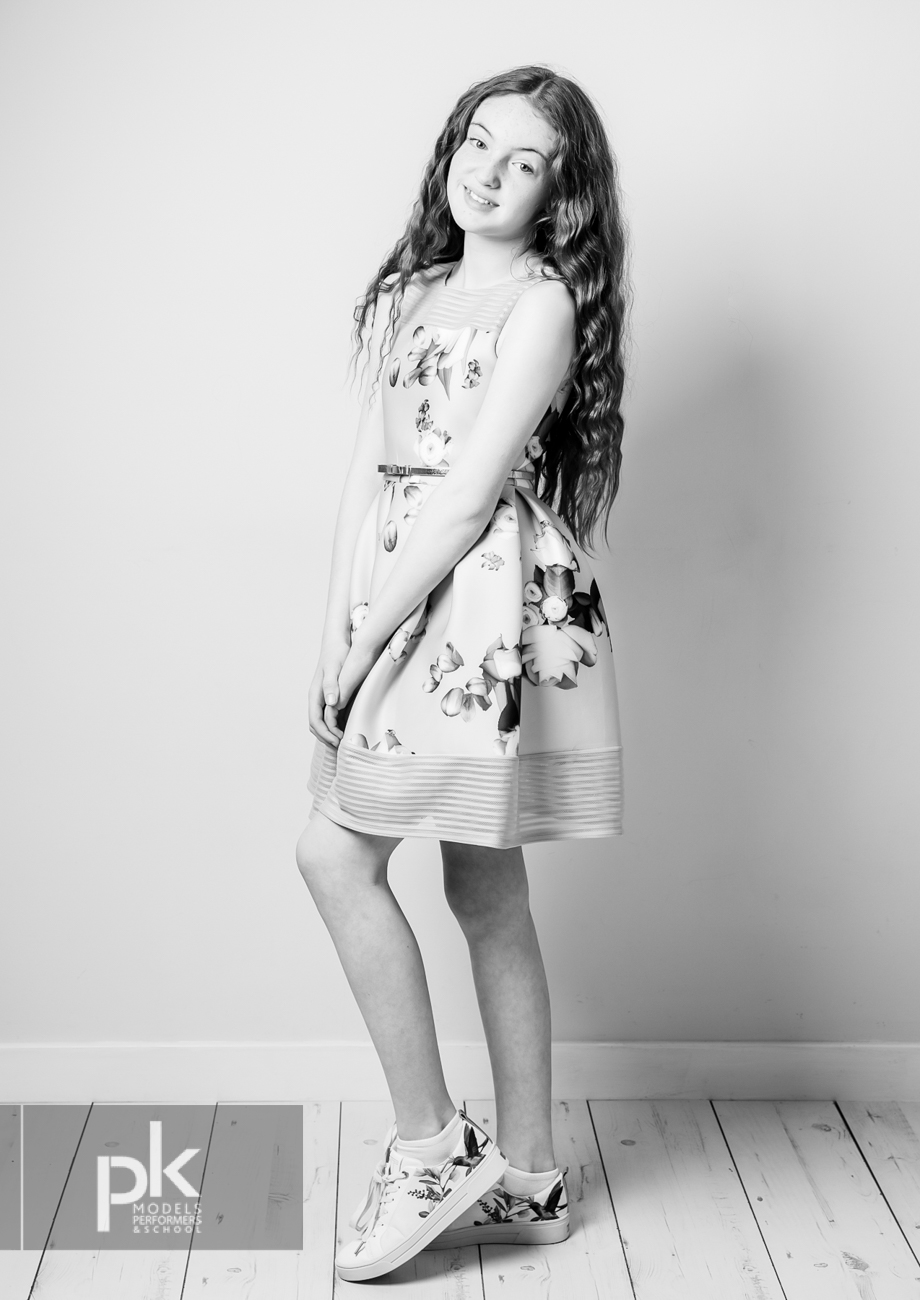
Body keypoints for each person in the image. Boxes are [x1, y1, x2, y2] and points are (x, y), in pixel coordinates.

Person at [295, 63, 629, 1282]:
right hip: (395, 589)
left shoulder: (539, 306)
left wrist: (372, 636)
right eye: (476, 143)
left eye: (522, 159)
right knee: (480, 890)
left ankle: (436, 1147)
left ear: (557, 194)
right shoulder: (412, 292)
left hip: (473, 599)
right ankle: (529, 1177)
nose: (486, 172)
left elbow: (463, 497)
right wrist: (335, 625)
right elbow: (366, 471)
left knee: (342, 856)